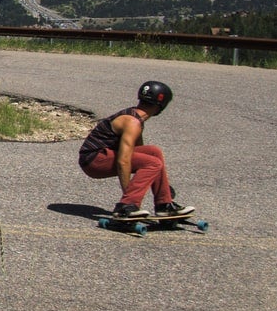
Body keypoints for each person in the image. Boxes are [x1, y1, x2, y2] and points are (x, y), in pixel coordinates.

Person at [78, 80, 195, 219]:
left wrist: (162, 186)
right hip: (93, 161)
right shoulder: (132, 122)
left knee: (154, 152)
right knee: (153, 163)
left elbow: (139, 153)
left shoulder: (136, 118)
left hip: (100, 156)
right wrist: (128, 197)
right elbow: (124, 161)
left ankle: (164, 203)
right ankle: (126, 207)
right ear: (161, 105)